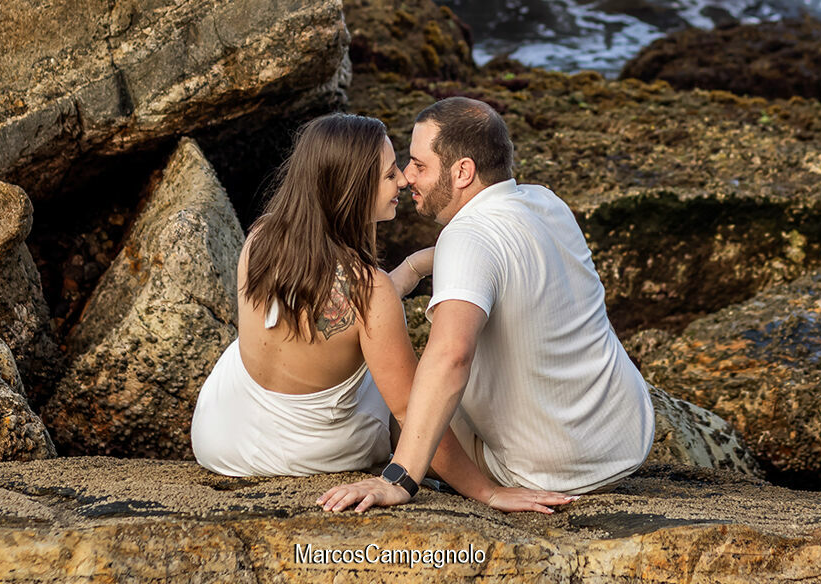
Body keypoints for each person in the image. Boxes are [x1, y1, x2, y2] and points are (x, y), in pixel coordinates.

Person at [191, 111, 572, 513]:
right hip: (305, 454)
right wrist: (488, 492)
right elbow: (411, 410)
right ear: (353, 187)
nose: (404, 180)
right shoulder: (371, 292)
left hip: (220, 434)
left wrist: (411, 268)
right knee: (430, 384)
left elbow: (328, 309)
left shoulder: (264, 236)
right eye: (391, 174)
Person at [318, 97, 654, 513]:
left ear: (462, 172)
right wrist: (414, 267)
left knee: (387, 399)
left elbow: (451, 358)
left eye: (419, 165)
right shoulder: (544, 203)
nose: (406, 178)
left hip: (550, 470)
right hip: (625, 441)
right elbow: (503, 259)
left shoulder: (468, 237)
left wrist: (400, 478)